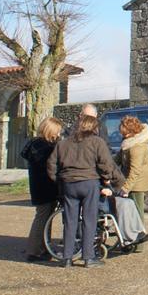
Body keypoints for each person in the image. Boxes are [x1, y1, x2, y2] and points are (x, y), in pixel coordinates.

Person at [47, 113, 125, 268]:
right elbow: (106, 164)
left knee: (70, 221)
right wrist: (107, 179)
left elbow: (51, 165)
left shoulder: (63, 143)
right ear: (94, 128)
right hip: (89, 183)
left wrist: (60, 180)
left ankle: (67, 257)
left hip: (69, 184)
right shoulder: (97, 142)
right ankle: (88, 257)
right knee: (89, 220)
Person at [20, 116, 63, 262]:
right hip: (45, 188)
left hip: (39, 187)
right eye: (57, 131)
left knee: (45, 218)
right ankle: (34, 251)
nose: (59, 134)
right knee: (42, 219)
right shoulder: (45, 148)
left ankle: (43, 248)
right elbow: (50, 168)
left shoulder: (35, 145)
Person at [117, 116, 148, 252]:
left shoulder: (137, 146)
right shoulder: (129, 142)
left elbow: (135, 170)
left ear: (131, 131)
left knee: (137, 213)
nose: (123, 135)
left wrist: (126, 188)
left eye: (124, 132)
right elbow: (118, 158)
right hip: (133, 180)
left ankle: (138, 244)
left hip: (138, 183)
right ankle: (130, 239)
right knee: (132, 211)